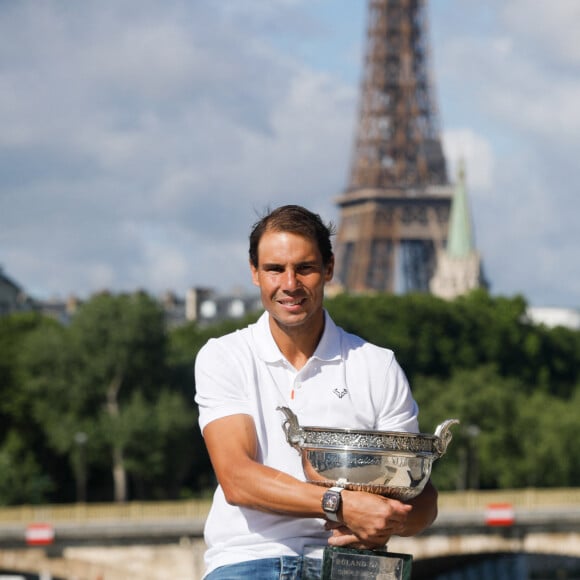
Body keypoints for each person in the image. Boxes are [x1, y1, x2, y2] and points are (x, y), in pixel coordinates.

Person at [194, 205, 438, 579]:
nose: (289, 284)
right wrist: (341, 506)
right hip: (253, 559)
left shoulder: (377, 364)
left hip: (352, 567)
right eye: (275, 269)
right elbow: (237, 479)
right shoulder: (223, 356)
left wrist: (391, 522)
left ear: (329, 269)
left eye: (304, 268)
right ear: (254, 273)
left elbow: (421, 498)